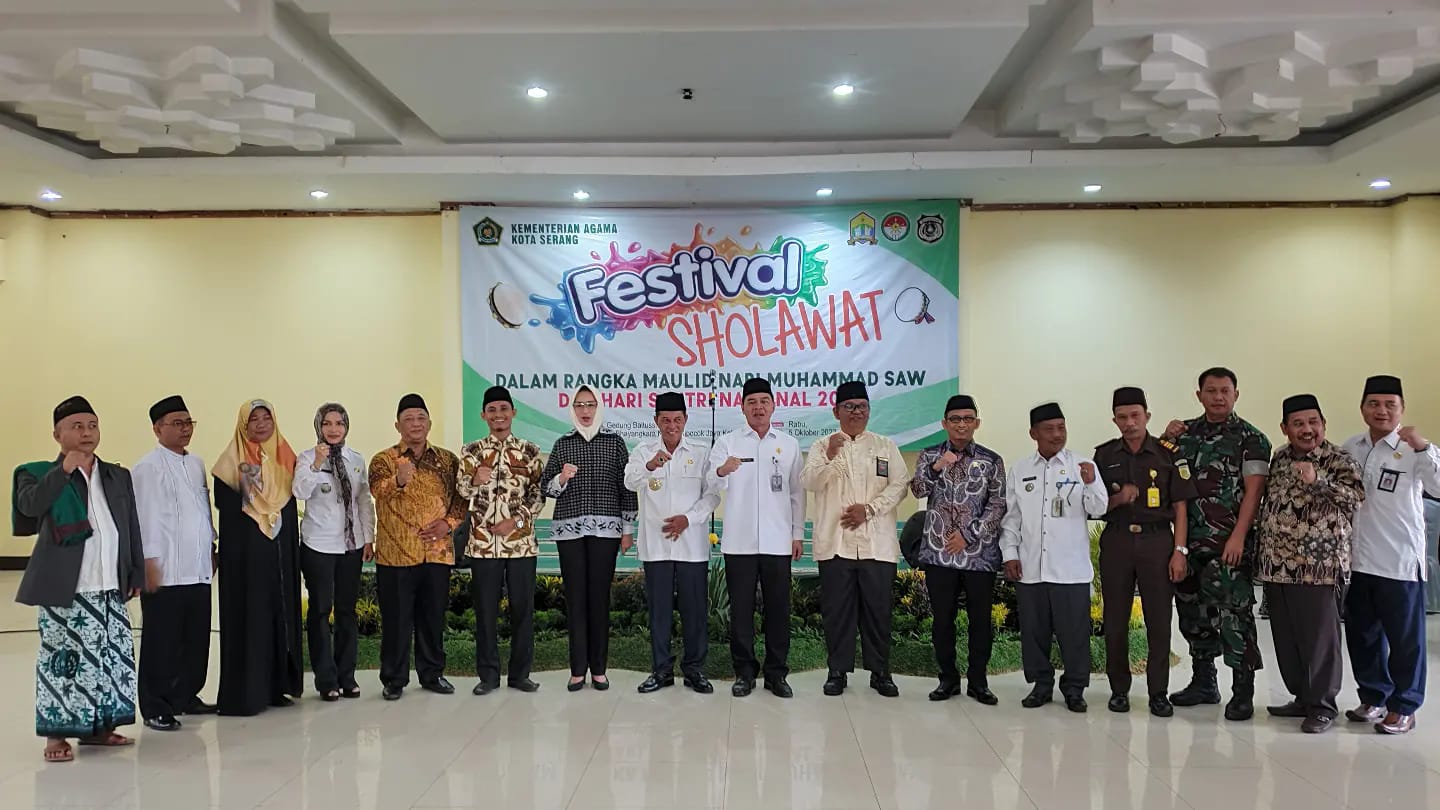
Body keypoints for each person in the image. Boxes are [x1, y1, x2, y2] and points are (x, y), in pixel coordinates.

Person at [13, 396, 144, 763]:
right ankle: (56, 734)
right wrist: (63, 472)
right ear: (57, 435)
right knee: (63, 659)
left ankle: (99, 728)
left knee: (108, 658)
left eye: (92, 425)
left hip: (109, 585)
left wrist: (134, 570)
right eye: (77, 426)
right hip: (65, 588)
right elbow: (29, 506)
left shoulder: (116, 475)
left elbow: (130, 525)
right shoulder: (37, 472)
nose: (87, 432)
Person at [1160, 367, 1271, 721]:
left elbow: (1254, 493)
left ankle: (1242, 691)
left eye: (1225, 390)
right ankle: (1204, 682)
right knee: (1193, 614)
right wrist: (1164, 435)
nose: (1218, 397)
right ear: (1199, 395)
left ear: (1236, 394)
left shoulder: (1252, 439)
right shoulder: (1185, 435)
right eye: (1211, 391)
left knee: (1234, 616)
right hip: (1188, 545)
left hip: (1228, 545)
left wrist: (1238, 535)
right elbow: (1161, 469)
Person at [1257, 394, 1364, 734]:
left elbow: (1356, 498)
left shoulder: (1338, 458)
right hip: (1278, 566)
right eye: (1298, 424)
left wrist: (1317, 480)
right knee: (1287, 639)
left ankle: (1322, 706)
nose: (1307, 430)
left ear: (1324, 424)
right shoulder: (1279, 457)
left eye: (1313, 422)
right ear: (1285, 428)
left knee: (1320, 641)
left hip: (1319, 568)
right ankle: (1302, 697)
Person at [1341, 375, 1438, 735]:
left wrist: (1424, 447)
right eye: (1374, 403)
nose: (1381, 410)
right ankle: (1374, 697)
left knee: (1405, 642)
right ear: (1362, 408)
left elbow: (1438, 486)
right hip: (1358, 560)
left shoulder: (1415, 449)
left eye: (1389, 404)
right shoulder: (1351, 447)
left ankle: (1405, 706)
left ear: (1401, 409)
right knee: (1362, 636)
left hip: (1399, 562)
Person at [802, 381, 911, 698]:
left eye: (861, 406)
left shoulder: (885, 446)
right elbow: (810, 481)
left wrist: (870, 509)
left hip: (877, 544)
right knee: (837, 613)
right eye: (848, 407)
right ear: (835, 411)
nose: (856, 412)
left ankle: (881, 673)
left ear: (869, 411)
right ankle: (837, 671)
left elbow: (900, 485)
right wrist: (831, 456)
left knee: (878, 612)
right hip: (836, 543)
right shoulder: (821, 446)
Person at [1094, 386, 1196, 717]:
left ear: (1147, 416)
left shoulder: (1168, 454)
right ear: (1114, 420)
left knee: (1159, 620)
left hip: (1157, 542)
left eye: (1135, 415)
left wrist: (1180, 551)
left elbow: (1180, 508)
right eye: (1122, 417)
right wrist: (1118, 499)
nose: (1129, 423)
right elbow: (1094, 506)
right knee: (1115, 620)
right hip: (1118, 541)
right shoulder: (1104, 456)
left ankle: (1158, 692)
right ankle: (1119, 690)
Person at [1000, 402, 1108, 713]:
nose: (1057, 434)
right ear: (1033, 433)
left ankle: (1075, 688)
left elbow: (1099, 508)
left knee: (1074, 634)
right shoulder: (1020, 470)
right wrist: (1010, 554)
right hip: (1031, 566)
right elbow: (1011, 518)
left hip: (1070, 569)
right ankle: (1041, 685)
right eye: (1049, 429)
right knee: (1034, 632)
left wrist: (1091, 482)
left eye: (1061, 428)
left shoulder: (1082, 465)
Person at [709, 378, 805, 698]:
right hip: (740, 542)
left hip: (778, 541)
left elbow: (797, 493)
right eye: (752, 402)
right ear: (742, 407)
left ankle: (777, 674)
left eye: (764, 401)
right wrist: (721, 471)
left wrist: (797, 534)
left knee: (778, 610)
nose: (758, 407)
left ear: (773, 405)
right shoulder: (728, 442)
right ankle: (744, 673)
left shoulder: (788, 444)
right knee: (741, 611)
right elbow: (711, 483)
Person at [908, 394, 1005, 704]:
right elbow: (918, 490)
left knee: (980, 621)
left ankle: (978, 681)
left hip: (979, 556)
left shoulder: (991, 460)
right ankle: (947, 679)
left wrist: (969, 535)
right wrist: (937, 467)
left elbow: (998, 505)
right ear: (945, 423)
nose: (961, 425)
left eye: (967, 419)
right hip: (939, 554)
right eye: (955, 419)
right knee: (942, 621)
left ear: (977, 423)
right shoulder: (929, 455)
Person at [369, 393, 466, 701]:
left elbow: (461, 499)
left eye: (421, 418)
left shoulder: (447, 460)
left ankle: (432, 674)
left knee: (432, 618)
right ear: (398, 425)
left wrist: (448, 523)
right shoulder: (384, 460)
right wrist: (398, 480)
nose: (415, 424)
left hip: (437, 553)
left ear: (429, 424)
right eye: (408, 419)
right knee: (397, 621)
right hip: (396, 554)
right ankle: (394, 679)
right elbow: (377, 492)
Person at [624, 391, 720, 694]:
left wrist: (688, 519)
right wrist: (651, 465)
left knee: (695, 612)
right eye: (665, 420)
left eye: (677, 419)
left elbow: (712, 495)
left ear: (685, 420)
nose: (672, 426)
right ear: (656, 421)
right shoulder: (644, 451)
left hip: (692, 546)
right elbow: (629, 481)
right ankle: (661, 671)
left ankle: (694, 670)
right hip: (657, 546)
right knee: (659, 613)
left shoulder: (701, 452)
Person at [212, 399, 303, 716]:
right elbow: (232, 511)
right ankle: (247, 693)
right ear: (243, 424)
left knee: (279, 615)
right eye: (254, 419)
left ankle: (277, 686)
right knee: (250, 616)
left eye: (267, 418)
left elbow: (292, 502)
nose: (262, 424)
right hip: (247, 559)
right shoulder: (231, 462)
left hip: (279, 556)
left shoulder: (286, 458)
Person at [542, 386, 637, 692]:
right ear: (572, 409)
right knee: (576, 599)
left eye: (590, 404)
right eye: (580, 405)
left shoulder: (614, 443)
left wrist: (627, 530)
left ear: (599, 407)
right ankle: (576, 670)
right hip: (570, 532)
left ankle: (598, 669)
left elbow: (626, 487)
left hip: (606, 532)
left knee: (598, 598)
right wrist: (562, 478)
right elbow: (546, 487)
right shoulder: (563, 444)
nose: (585, 410)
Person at [133, 395, 217, 732]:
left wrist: (211, 545)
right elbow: (144, 518)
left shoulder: (196, 464)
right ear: (157, 429)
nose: (185, 429)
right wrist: (149, 561)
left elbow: (202, 509)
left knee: (195, 638)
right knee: (162, 641)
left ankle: (185, 695)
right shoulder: (147, 467)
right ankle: (155, 704)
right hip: (164, 570)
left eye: (188, 422)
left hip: (197, 567)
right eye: (176, 423)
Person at [457, 386, 545, 695]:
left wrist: (515, 521)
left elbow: (538, 496)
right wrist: (474, 479)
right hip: (482, 547)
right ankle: (488, 676)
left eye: (504, 409)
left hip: (521, 546)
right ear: (483, 415)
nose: (498, 415)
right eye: (492, 410)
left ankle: (520, 675)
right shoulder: (471, 451)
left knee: (522, 611)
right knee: (485, 613)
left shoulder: (530, 451)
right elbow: (462, 492)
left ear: (513, 413)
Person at [293, 403, 375, 702]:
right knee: (319, 611)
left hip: (350, 546)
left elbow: (363, 500)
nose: (333, 429)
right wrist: (317, 463)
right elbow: (299, 491)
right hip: (319, 545)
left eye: (339, 423)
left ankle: (346, 676)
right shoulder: (306, 458)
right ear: (319, 426)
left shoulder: (356, 459)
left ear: (346, 426)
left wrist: (368, 538)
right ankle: (325, 680)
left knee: (346, 612)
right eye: (327, 423)